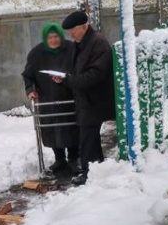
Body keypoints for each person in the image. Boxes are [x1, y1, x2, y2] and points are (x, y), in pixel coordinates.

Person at [52, 10, 115, 185]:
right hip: (86, 99)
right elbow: (77, 69)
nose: (71, 35)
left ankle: (89, 172)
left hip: (95, 99)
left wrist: (69, 80)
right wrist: (63, 78)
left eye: (73, 30)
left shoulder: (98, 43)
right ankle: (95, 169)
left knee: (87, 138)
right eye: (69, 32)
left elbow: (95, 75)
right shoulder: (82, 44)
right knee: (89, 137)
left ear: (84, 26)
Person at [22, 22, 80, 174]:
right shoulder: (36, 54)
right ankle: (59, 159)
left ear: (61, 36)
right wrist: (30, 90)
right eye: (50, 38)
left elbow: (81, 69)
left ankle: (74, 158)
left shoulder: (72, 49)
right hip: (48, 98)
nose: (53, 40)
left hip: (70, 97)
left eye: (56, 37)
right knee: (53, 130)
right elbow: (28, 75)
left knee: (72, 128)